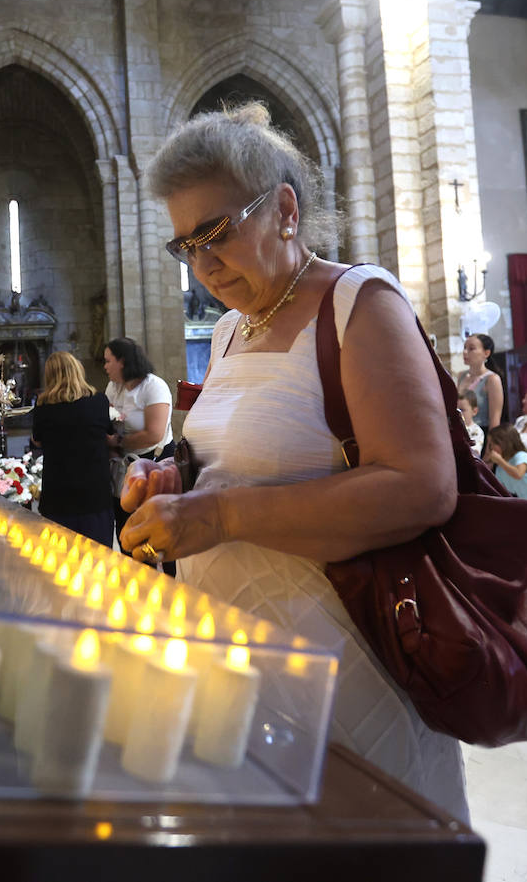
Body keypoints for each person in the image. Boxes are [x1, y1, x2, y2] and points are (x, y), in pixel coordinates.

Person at [117, 101, 468, 820]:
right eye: (185, 246)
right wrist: (177, 480)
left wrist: (219, 513)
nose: (203, 264)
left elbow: (423, 487)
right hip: (232, 659)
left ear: (283, 208)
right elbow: (243, 460)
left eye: (216, 232)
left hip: (344, 669)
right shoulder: (226, 334)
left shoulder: (358, 304)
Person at [30, 352, 116, 547]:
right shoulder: (99, 401)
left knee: (62, 563)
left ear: (50, 376)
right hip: (95, 494)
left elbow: (37, 440)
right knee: (99, 560)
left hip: (58, 496)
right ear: (78, 370)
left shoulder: (43, 407)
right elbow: (108, 433)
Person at [103, 337, 173, 556]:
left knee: (157, 529)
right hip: (123, 463)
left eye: (108, 361)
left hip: (155, 461)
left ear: (122, 361)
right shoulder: (114, 387)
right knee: (126, 527)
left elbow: (154, 434)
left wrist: (119, 442)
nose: (104, 366)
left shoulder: (153, 386)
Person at [485, 425, 527, 500]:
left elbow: (518, 474)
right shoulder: (500, 469)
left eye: (492, 444)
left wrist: (500, 461)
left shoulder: (521, 456)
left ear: (504, 443)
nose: (490, 448)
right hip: (526, 504)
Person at [457, 334, 503, 433]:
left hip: (481, 433)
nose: (465, 352)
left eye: (471, 349)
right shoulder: (461, 375)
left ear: (486, 353)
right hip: (461, 431)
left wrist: (490, 446)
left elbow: (495, 419)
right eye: (464, 348)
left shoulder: (492, 379)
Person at [458, 392, 484, 457]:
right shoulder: (453, 427)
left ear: (474, 411)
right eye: (456, 410)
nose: (458, 413)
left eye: (462, 410)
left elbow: (474, 453)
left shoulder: (477, 431)